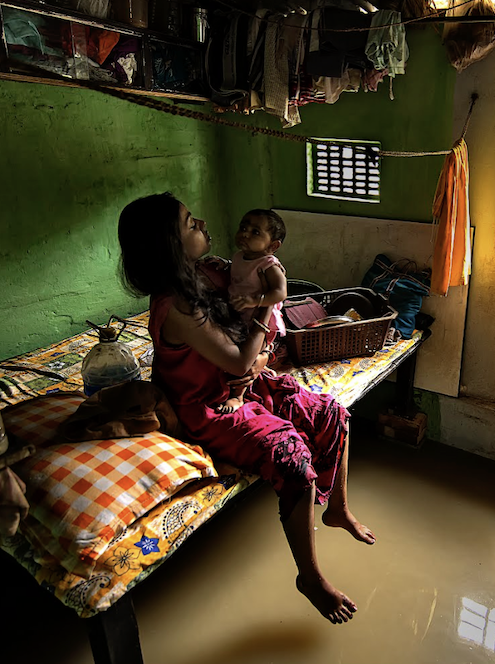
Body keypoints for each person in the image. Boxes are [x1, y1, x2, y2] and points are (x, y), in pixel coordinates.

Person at [118, 193, 375, 625]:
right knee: (292, 457)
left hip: (243, 385)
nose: (201, 223)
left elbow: (252, 345)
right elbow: (239, 355)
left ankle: (337, 509)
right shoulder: (175, 306)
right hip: (207, 405)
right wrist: (264, 316)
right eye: (189, 223)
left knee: (332, 413)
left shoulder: (210, 273)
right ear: (170, 244)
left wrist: (257, 354)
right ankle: (308, 577)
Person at [215, 209, 288, 414]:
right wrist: (224, 265)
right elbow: (241, 273)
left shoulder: (268, 264)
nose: (245, 233)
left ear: (272, 246)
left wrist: (255, 300)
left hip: (260, 319)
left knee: (251, 356)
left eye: (255, 232)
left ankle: (237, 396)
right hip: (240, 316)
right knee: (234, 349)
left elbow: (280, 292)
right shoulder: (239, 256)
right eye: (243, 228)